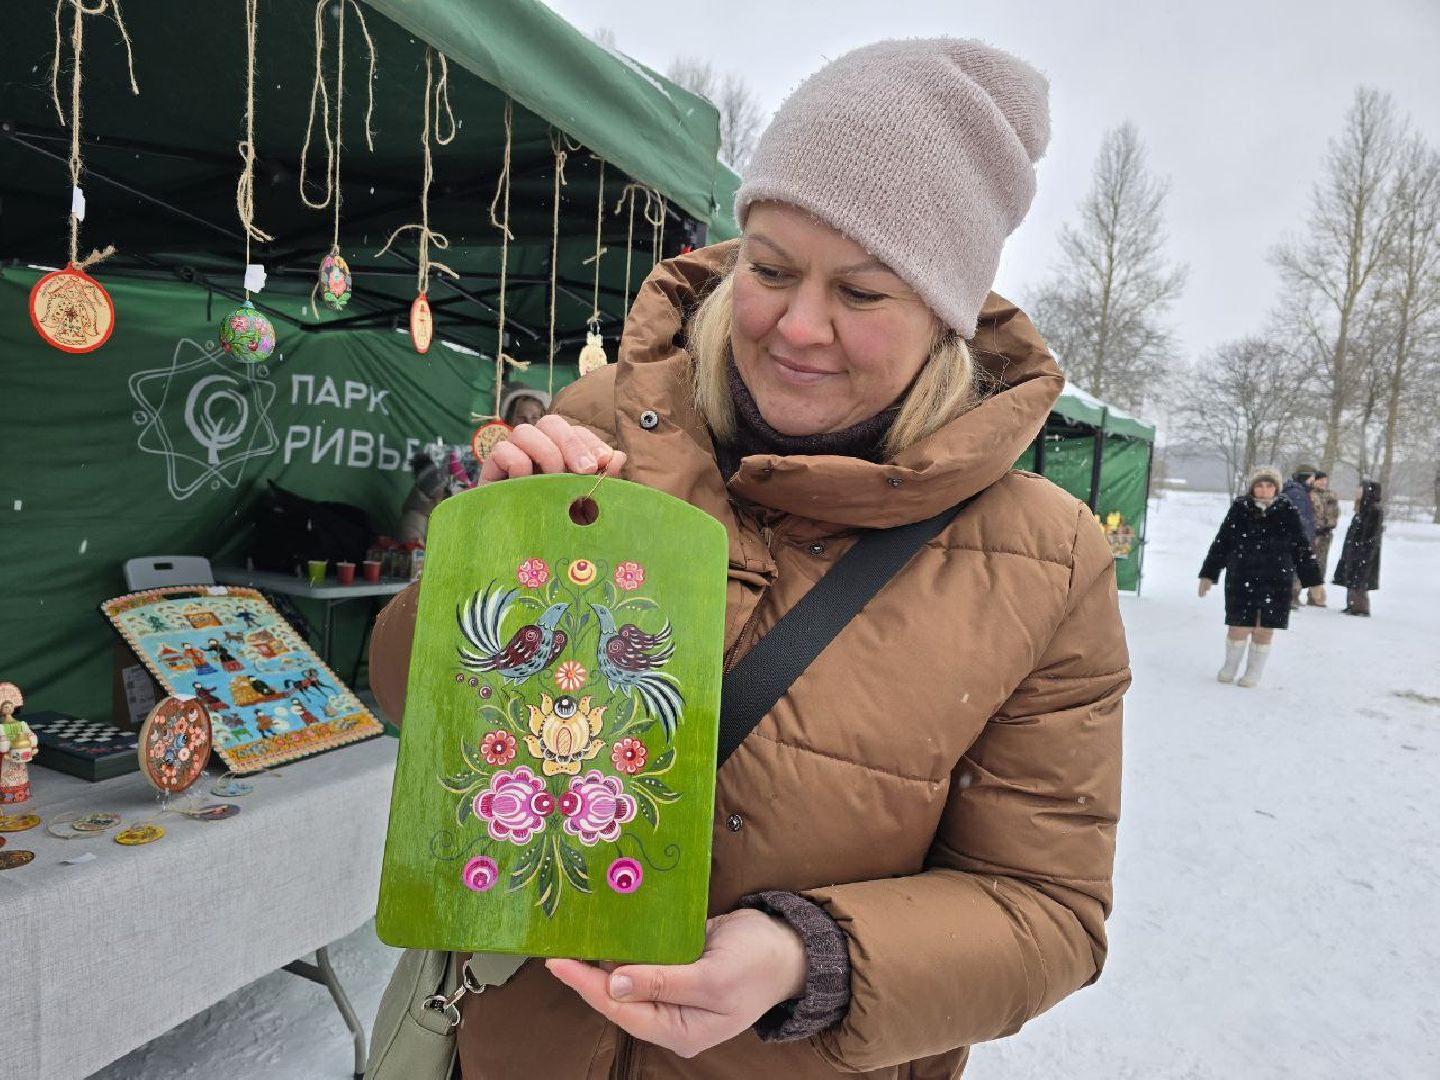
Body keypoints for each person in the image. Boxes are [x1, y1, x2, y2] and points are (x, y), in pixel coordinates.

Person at [369, 39, 1129, 1079]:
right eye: (769, 269)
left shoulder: (1044, 561)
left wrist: (806, 957)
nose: (796, 327)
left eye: (863, 293)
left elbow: (1049, 910)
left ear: (945, 313)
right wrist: (483, 569)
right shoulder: (606, 427)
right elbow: (412, 703)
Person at [1199, 466, 1322, 687]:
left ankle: (1253, 673)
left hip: (1276, 579)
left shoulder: (1287, 511)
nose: (1264, 490)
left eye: (1269, 485)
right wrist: (1209, 574)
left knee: (1264, 628)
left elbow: (1302, 548)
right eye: (1259, 485)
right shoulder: (1240, 509)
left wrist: (1314, 582)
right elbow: (1222, 543)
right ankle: (1230, 666)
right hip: (1241, 577)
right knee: (1238, 626)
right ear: (1252, 488)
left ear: (1276, 488)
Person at [1334, 479, 1383, 616]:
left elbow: (1372, 536)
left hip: (1363, 553)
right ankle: (1352, 604)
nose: (1357, 492)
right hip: (1354, 551)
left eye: (1360, 489)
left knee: (1360, 579)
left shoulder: (1374, 510)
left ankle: (1360, 607)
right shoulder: (1362, 509)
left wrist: (1363, 552)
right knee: (1352, 578)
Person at [1282, 466, 1317, 609]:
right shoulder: (1297, 493)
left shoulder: (1299, 491)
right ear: (1306, 477)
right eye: (1312, 478)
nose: (1314, 481)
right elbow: (1299, 518)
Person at [1307, 470, 1340, 604]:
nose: (1323, 483)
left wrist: (1329, 525)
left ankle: (1315, 597)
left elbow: (1335, 513)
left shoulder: (1331, 495)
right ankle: (1294, 594)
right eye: (1320, 480)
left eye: (1325, 480)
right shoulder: (1308, 494)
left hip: (1325, 535)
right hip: (1311, 534)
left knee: (1320, 566)